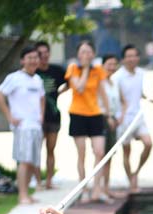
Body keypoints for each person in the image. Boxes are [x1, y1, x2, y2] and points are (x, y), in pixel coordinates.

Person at [0, 46, 45, 205]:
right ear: (22, 60)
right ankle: (22, 195)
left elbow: (42, 98)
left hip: (35, 126)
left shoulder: (37, 79)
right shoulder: (14, 78)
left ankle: (27, 193)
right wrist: (10, 116)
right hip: (23, 127)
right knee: (24, 160)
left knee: (32, 161)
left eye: (35, 58)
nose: (33, 61)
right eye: (29, 58)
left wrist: (41, 116)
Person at [65, 41, 111, 203]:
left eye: (89, 51)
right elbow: (79, 88)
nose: (86, 55)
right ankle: (83, 189)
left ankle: (97, 189)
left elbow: (102, 92)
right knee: (82, 154)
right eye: (83, 52)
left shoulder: (98, 70)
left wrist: (109, 113)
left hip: (95, 114)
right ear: (78, 54)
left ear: (93, 54)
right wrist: (85, 69)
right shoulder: (73, 68)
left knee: (99, 152)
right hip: (78, 114)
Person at [114, 44, 153, 192]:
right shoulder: (117, 77)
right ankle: (131, 180)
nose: (131, 59)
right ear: (123, 59)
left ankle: (136, 173)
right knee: (127, 151)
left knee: (148, 144)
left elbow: (140, 92)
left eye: (134, 56)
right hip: (123, 119)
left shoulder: (141, 73)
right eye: (128, 56)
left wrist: (151, 99)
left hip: (138, 116)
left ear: (138, 58)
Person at [35, 41, 67, 190]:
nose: (44, 56)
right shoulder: (33, 72)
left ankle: (49, 180)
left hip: (53, 115)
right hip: (37, 117)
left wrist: (59, 92)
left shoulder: (57, 70)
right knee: (37, 150)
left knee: (51, 149)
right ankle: (37, 181)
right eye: (40, 53)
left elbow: (69, 82)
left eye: (46, 53)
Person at [100, 53, 122, 198]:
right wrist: (108, 117)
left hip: (113, 119)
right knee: (102, 155)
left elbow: (119, 102)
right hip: (102, 118)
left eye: (114, 64)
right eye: (109, 64)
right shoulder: (100, 82)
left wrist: (118, 117)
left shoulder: (113, 83)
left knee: (109, 155)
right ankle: (101, 188)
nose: (112, 67)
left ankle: (106, 187)